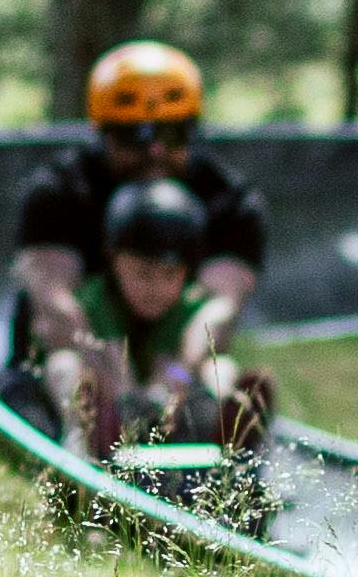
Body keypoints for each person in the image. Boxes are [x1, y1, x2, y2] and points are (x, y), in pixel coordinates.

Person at [10, 40, 271, 448]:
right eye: (135, 137)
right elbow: (53, 304)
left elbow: (220, 308)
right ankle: (88, 443)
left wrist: (177, 373)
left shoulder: (229, 201)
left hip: (178, 369)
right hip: (87, 362)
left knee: (219, 371)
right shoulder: (58, 191)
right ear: (104, 135)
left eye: (171, 133)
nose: (155, 150)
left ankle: (230, 438)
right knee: (64, 372)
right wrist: (114, 377)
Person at [54, 175, 274, 446]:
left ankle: (229, 424)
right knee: (63, 366)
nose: (155, 287)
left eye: (169, 274)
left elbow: (179, 363)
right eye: (143, 274)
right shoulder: (96, 299)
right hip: (113, 392)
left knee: (220, 366)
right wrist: (130, 395)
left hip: (167, 401)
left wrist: (172, 382)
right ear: (114, 262)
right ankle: (86, 441)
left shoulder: (188, 306)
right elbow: (114, 361)